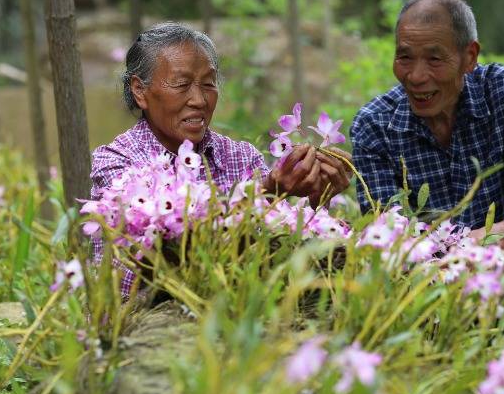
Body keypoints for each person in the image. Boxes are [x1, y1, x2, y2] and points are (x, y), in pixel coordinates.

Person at [350, 0, 504, 339]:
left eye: (434, 59)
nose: (416, 76)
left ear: (469, 56)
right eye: (404, 57)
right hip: (426, 278)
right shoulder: (374, 126)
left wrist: (475, 244)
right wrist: (446, 264)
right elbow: (386, 234)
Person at [90, 22, 352, 299]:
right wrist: (265, 193)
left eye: (208, 84)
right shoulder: (116, 162)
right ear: (140, 91)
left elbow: (273, 248)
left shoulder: (242, 157)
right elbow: (160, 260)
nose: (199, 100)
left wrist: (313, 199)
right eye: (181, 84)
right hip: (144, 325)